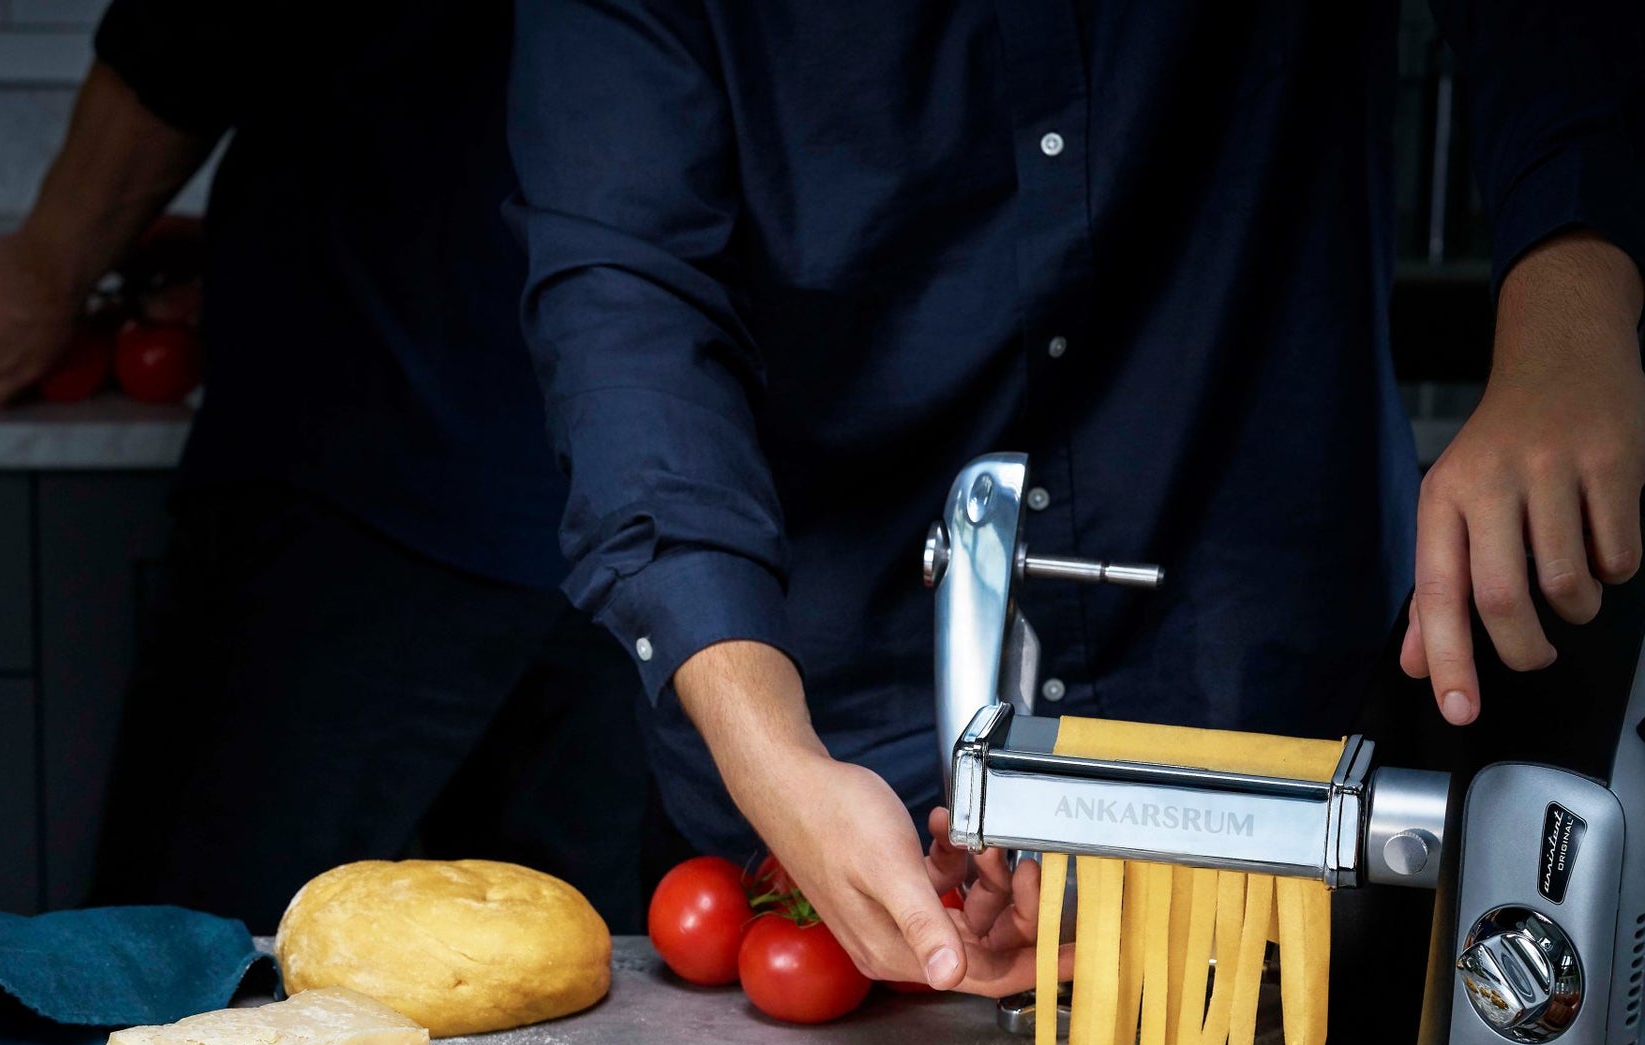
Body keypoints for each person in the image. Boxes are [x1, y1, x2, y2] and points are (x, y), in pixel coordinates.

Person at [508, 1, 1645, 993]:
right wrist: (773, 756)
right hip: (852, 769)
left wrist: (1573, 303)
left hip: (1281, 719)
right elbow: (624, 300)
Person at [0, 0, 647, 933]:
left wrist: (47, 266)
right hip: (640, 473)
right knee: (568, 976)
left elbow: (183, 39)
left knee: (188, 963)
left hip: (373, 466)